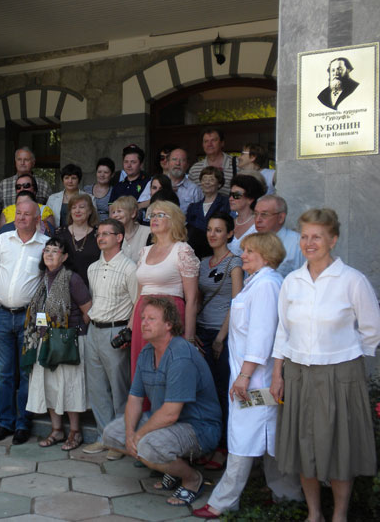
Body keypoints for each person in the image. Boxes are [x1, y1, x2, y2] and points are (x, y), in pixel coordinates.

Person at [271, 208, 380, 522]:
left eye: (317, 236)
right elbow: (283, 329)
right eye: (304, 236)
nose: (309, 242)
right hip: (295, 374)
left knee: (339, 447)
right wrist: (277, 372)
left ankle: (339, 515)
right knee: (302, 444)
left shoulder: (352, 280)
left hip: (339, 375)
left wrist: (343, 353)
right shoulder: (292, 281)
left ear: (332, 240)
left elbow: (373, 329)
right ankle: (314, 513)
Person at [193, 232, 303, 519]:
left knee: (244, 437)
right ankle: (287, 496)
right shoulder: (260, 282)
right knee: (268, 437)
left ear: (266, 255)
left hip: (255, 380)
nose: (243, 255)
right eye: (244, 250)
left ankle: (224, 501)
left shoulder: (267, 285)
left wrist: (244, 376)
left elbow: (262, 336)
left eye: (250, 251)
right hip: (250, 376)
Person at [103, 296, 221, 507]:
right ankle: (170, 469)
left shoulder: (181, 355)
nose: (143, 323)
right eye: (143, 318)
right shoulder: (147, 352)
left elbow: (171, 413)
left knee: (147, 446)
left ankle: (191, 478)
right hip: (167, 424)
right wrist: (130, 433)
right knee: (112, 434)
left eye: (151, 319)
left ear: (169, 325)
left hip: (198, 426)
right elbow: (135, 398)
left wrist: (138, 435)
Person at [0, 198, 50, 445]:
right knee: (5, 374)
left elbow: (46, 287)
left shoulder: (45, 245)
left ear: (37, 219)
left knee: (26, 372)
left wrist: (42, 321)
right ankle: (6, 422)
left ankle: (23, 424)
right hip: (0, 314)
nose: (20, 218)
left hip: (28, 318)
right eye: (18, 213)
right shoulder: (2, 240)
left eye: (26, 214)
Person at [25, 239, 92, 451]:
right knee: (50, 385)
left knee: (70, 386)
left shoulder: (72, 279)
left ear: (64, 257)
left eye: (56, 251)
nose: (50, 254)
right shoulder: (43, 278)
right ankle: (56, 430)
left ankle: (75, 431)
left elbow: (88, 311)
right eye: (47, 250)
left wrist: (71, 332)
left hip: (67, 342)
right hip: (44, 341)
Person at [82, 219, 138, 459]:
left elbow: (138, 303)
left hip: (116, 332)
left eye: (107, 234)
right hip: (94, 330)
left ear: (120, 237)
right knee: (97, 389)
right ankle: (104, 437)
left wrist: (129, 332)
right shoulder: (92, 268)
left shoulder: (130, 268)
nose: (101, 237)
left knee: (119, 389)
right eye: (99, 234)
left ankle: (120, 442)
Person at [194, 213, 243, 470]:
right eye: (210, 230)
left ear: (230, 234)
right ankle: (207, 443)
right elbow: (198, 299)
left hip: (222, 335)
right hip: (201, 332)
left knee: (223, 392)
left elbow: (237, 303)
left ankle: (224, 448)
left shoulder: (235, 263)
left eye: (219, 230)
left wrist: (221, 338)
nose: (213, 234)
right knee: (205, 393)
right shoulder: (203, 263)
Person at [130, 201, 199, 381]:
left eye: (160, 215)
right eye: (152, 215)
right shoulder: (144, 251)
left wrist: (190, 339)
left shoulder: (182, 250)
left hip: (169, 316)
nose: (154, 219)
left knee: (167, 371)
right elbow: (139, 296)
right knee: (143, 370)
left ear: (174, 220)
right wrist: (130, 328)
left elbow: (192, 299)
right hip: (143, 317)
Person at [0, 146, 52, 218]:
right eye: (19, 159)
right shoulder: (4, 184)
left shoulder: (44, 185)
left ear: (33, 163)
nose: (22, 163)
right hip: (8, 228)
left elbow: (50, 212)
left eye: (26, 160)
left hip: (36, 227)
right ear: (15, 162)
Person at [54, 193, 100, 287]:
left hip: (91, 288)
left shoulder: (99, 235)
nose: (77, 211)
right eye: (73, 207)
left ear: (90, 210)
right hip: (63, 288)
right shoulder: (59, 233)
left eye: (82, 207)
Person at [253, 194, 304, 277]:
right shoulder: (251, 241)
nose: (258, 219)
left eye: (264, 214)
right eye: (255, 214)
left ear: (281, 218)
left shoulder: (297, 243)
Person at [140, 148, 202, 215]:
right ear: (168, 163)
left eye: (182, 160)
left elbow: (199, 215)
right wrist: (162, 193)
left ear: (187, 165)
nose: (177, 163)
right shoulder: (154, 183)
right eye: (174, 159)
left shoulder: (194, 189)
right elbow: (139, 207)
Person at [186, 166, 231, 258]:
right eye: (204, 179)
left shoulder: (226, 203)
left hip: (217, 251)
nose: (207, 182)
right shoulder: (193, 207)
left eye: (211, 179)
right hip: (196, 253)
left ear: (219, 184)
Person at [188, 128, 235, 195]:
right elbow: (191, 195)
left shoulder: (237, 164)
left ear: (222, 143)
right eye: (206, 141)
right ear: (203, 145)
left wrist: (233, 201)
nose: (209, 144)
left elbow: (243, 191)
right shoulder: (194, 169)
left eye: (213, 140)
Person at [228, 174, 265, 256]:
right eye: (230, 194)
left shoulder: (259, 226)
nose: (231, 198)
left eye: (236, 195)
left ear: (250, 199)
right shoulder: (228, 222)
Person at [109, 195, 150, 263]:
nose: (115, 215)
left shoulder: (148, 232)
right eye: (113, 212)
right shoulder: (111, 235)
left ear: (133, 213)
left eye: (119, 211)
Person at [84, 157, 115, 221]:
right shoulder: (86, 190)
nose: (102, 175)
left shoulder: (114, 192)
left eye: (106, 172)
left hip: (107, 227)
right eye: (99, 172)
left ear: (112, 174)